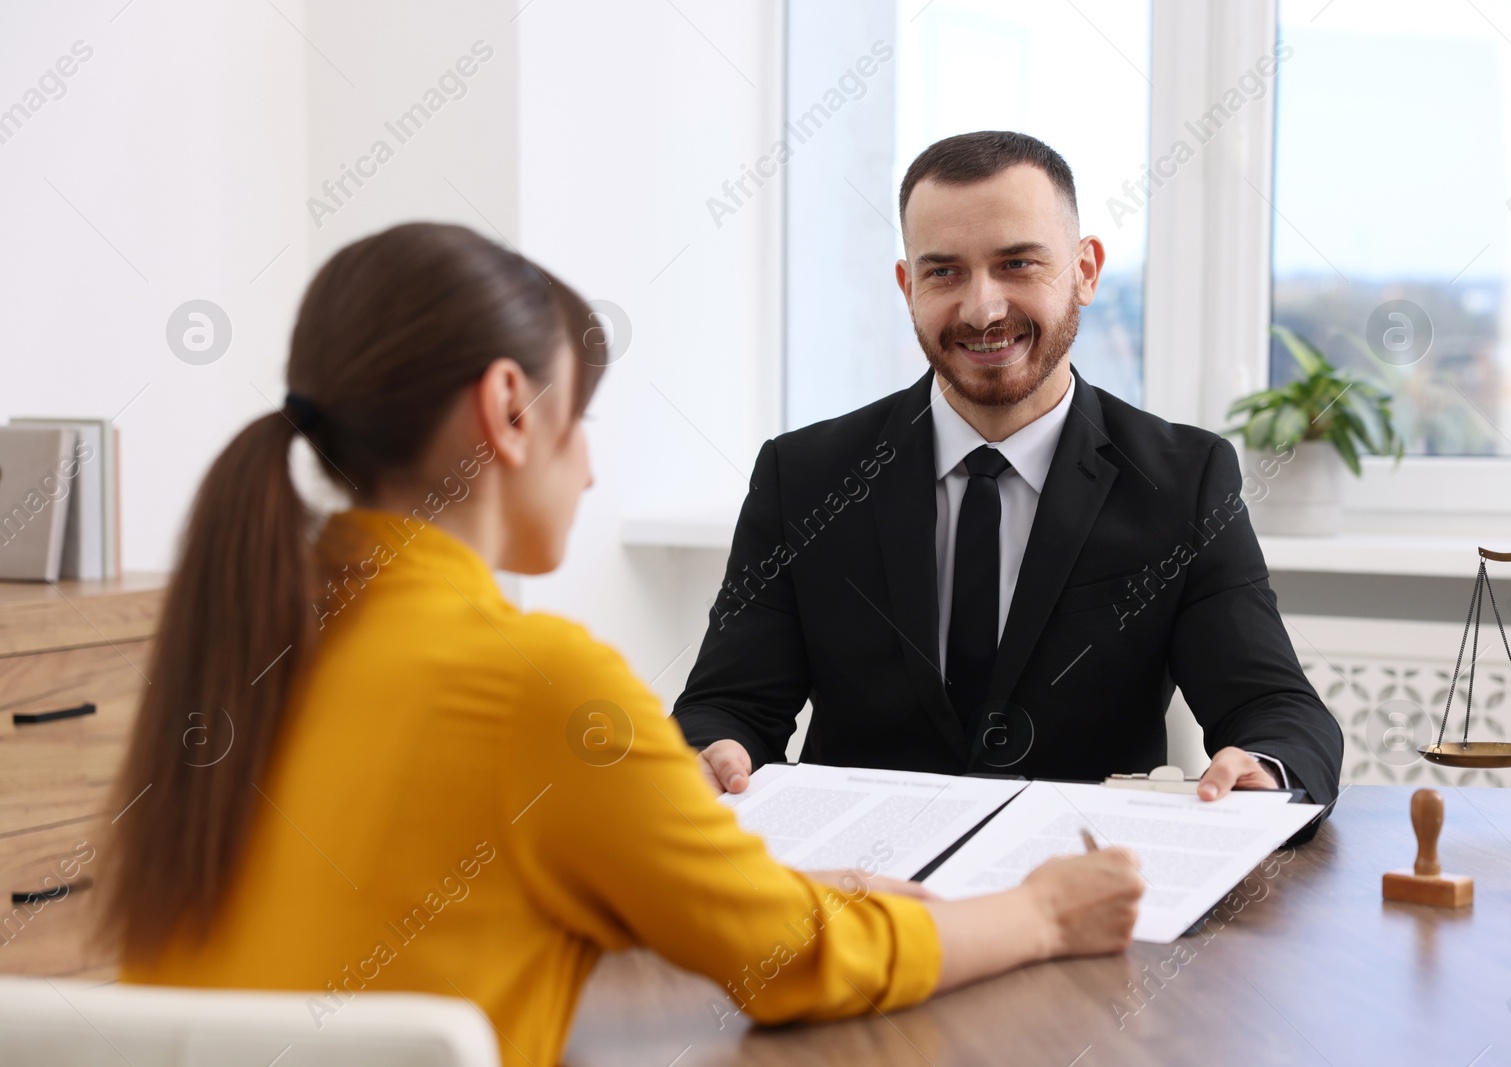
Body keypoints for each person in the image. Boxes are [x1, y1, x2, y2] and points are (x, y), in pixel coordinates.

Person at [104, 222, 1145, 1067]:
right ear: (509, 409)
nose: (592, 470)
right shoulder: (535, 681)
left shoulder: (241, 635)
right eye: (582, 417)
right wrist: (1042, 911)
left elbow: (479, 888)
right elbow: (792, 964)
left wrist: (786, 886)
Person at [676, 131, 1343, 817]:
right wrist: (712, 751)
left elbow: (1275, 709)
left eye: (1017, 264)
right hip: (862, 898)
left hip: (1079, 890)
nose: (982, 309)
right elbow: (727, 707)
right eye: (944, 272)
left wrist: (1264, 765)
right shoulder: (804, 477)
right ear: (908, 287)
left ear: (1085, 270)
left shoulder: (1184, 480)